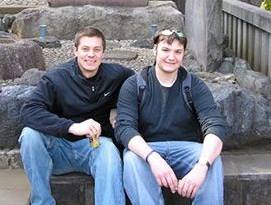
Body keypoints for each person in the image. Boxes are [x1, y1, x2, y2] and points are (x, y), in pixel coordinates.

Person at [19, 27, 134, 205]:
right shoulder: (56, 78)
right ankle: (42, 202)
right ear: (75, 50)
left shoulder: (116, 75)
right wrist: (72, 127)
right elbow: (29, 110)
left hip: (94, 147)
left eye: (96, 50)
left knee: (109, 148)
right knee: (30, 135)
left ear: (103, 53)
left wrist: (122, 112)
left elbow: (138, 87)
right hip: (57, 149)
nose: (91, 55)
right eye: (85, 49)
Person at [115, 29, 227, 205]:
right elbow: (124, 128)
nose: (171, 57)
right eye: (166, 50)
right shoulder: (135, 84)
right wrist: (153, 157)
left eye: (178, 52)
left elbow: (215, 125)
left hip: (187, 148)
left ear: (183, 55)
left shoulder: (194, 85)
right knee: (131, 158)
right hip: (148, 148)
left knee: (212, 160)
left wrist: (201, 167)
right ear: (155, 50)